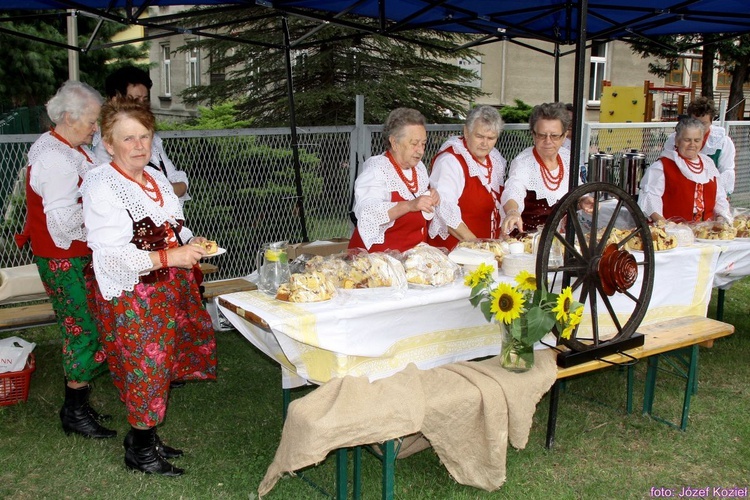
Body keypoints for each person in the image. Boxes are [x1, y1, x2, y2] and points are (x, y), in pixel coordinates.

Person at [81, 98, 217, 476]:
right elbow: (109, 255)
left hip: (164, 290)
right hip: (132, 294)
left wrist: (192, 240)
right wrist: (169, 258)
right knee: (144, 368)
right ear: (108, 143)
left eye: (145, 136)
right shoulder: (101, 183)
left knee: (161, 365)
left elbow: (173, 225)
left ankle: (143, 438)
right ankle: (140, 452)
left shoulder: (155, 177)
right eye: (129, 138)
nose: (139, 145)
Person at [15, 81, 116, 439]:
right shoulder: (55, 159)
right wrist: (106, 219)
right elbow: (60, 221)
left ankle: (78, 402)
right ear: (70, 117)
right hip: (62, 257)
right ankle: (73, 412)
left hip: (74, 255)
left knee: (90, 325)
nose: (95, 127)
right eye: (91, 120)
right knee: (81, 329)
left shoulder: (71, 148)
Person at [93, 66, 190, 204]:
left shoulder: (153, 139)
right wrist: (168, 189)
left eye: (144, 99)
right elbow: (132, 195)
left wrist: (167, 189)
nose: (141, 105)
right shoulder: (105, 148)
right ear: (115, 100)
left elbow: (177, 179)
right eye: (135, 99)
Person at [348, 108, 440, 252]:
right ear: (394, 142)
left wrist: (432, 195)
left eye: (423, 143)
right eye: (414, 143)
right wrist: (409, 205)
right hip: (376, 262)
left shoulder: (419, 168)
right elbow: (367, 212)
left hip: (412, 260)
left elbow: (419, 202)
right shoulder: (377, 170)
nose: (421, 150)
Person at [427, 105, 506, 250]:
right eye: (479, 136)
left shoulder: (495, 158)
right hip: (455, 251)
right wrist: (477, 246)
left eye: (491, 138)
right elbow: (444, 209)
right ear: (466, 132)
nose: (485, 143)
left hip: (486, 250)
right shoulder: (450, 161)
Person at [639, 116, 731, 223]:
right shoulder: (662, 166)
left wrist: (721, 217)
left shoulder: (708, 165)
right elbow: (651, 199)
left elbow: (719, 198)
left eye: (697, 140)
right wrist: (666, 226)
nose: (692, 145)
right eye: (687, 140)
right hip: (672, 233)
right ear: (677, 141)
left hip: (705, 234)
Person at [501, 102, 572, 235]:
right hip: (528, 242)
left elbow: (577, 191)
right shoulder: (524, 162)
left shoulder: (568, 158)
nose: (548, 141)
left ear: (564, 136)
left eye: (555, 136)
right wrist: (512, 212)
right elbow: (513, 190)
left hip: (561, 242)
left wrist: (584, 200)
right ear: (533, 135)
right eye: (541, 135)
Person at [663, 97, 736, 195]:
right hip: (679, 192)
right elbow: (666, 167)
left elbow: (726, 171)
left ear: (711, 121)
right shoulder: (674, 140)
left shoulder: (722, 142)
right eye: (695, 122)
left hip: (710, 194)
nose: (699, 128)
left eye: (704, 123)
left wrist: (716, 195)